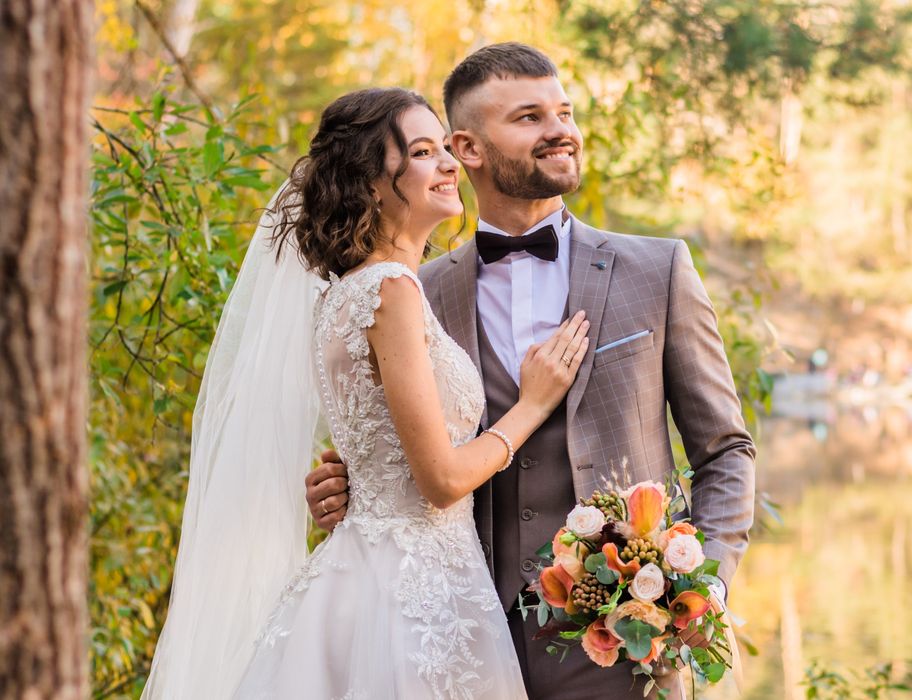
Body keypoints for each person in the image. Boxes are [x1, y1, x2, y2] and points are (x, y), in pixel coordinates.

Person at [304, 43, 757, 699]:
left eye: (563, 112)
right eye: (529, 117)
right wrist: (345, 483)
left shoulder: (655, 272)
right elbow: (399, 445)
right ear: (468, 148)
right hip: (454, 629)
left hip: (622, 642)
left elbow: (725, 449)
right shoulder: (408, 290)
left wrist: (701, 585)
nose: (560, 131)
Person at [144, 88, 589, 698]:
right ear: (374, 184)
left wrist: (347, 478)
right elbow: (439, 480)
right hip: (413, 595)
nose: (450, 165)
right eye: (425, 152)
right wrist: (532, 405)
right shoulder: (391, 293)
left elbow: (377, 449)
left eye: (444, 149)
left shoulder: (344, 296)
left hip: (369, 573)